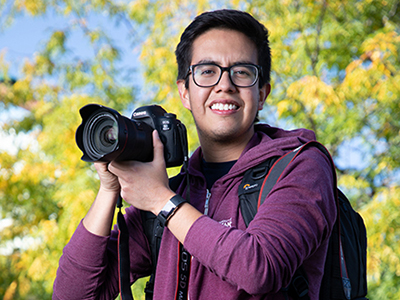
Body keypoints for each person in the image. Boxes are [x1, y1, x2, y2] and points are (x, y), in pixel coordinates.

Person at [53, 9, 337, 300]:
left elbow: (260, 269)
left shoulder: (301, 165)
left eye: (241, 72)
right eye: (206, 71)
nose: (224, 85)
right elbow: (71, 295)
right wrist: (109, 187)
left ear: (262, 93)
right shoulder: (174, 193)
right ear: (185, 92)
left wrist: (162, 202)